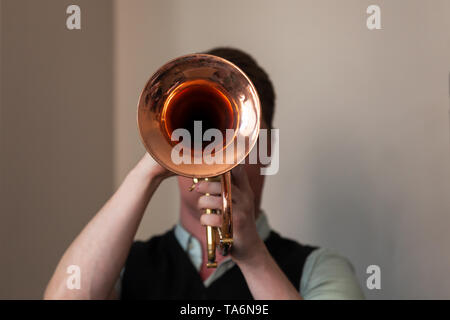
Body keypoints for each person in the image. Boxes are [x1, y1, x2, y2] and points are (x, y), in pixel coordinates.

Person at [44, 47, 364, 300]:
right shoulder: (129, 265)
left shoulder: (320, 268)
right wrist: (149, 168)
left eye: (240, 138)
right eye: (198, 132)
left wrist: (253, 258)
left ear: (269, 150)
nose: (219, 155)